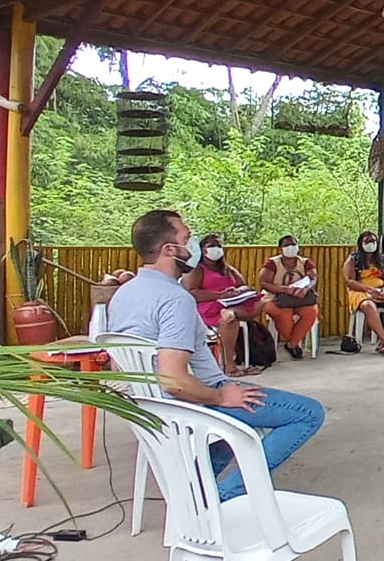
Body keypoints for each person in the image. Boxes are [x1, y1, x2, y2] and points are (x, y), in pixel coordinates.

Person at [107, 210, 325, 501]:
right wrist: (221, 397)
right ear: (169, 250)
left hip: (149, 406)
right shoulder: (175, 298)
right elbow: (174, 380)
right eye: (187, 238)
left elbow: (117, 364)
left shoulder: (124, 293)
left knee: (236, 427)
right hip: (187, 405)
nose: (193, 245)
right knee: (308, 414)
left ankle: (195, 487)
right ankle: (221, 496)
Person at [181, 233, 265, 376]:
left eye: (218, 246)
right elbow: (191, 292)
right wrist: (220, 295)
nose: (216, 249)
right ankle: (229, 365)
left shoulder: (227, 269)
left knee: (264, 301)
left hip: (231, 303)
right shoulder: (197, 269)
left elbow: (244, 285)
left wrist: (236, 291)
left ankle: (231, 312)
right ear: (203, 250)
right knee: (229, 320)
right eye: (211, 246)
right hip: (208, 306)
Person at [343, 230, 384, 356]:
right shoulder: (353, 259)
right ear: (361, 243)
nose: (370, 244)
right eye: (367, 241)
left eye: (373, 241)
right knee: (368, 306)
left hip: (381, 291)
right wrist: (369, 290)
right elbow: (349, 281)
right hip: (361, 291)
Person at [259, 234, 319, 360]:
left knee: (311, 312)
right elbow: (264, 282)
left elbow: (313, 278)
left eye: (293, 244)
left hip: (300, 298)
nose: (291, 247)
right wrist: (285, 289)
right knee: (283, 314)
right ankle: (294, 342)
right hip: (274, 297)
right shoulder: (272, 263)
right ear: (280, 249)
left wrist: (306, 289)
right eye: (287, 245)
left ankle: (291, 344)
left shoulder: (305, 262)